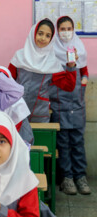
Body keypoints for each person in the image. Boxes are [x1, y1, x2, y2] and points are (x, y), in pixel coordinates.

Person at [50, 16, 91, 195]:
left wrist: (82, 82)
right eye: (62, 29)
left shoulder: (79, 48)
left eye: (69, 28)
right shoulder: (52, 51)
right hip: (60, 104)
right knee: (63, 142)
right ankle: (67, 178)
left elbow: (84, 71)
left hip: (77, 103)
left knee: (78, 142)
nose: (66, 32)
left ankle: (80, 176)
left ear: (73, 30)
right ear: (57, 31)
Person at [9, 18, 77, 123]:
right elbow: (8, 82)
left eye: (48, 36)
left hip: (39, 114)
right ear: (33, 33)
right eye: (40, 33)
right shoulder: (19, 56)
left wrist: (71, 66)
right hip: (16, 110)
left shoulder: (52, 63)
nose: (43, 38)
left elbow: (69, 86)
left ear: (51, 39)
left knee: (40, 139)